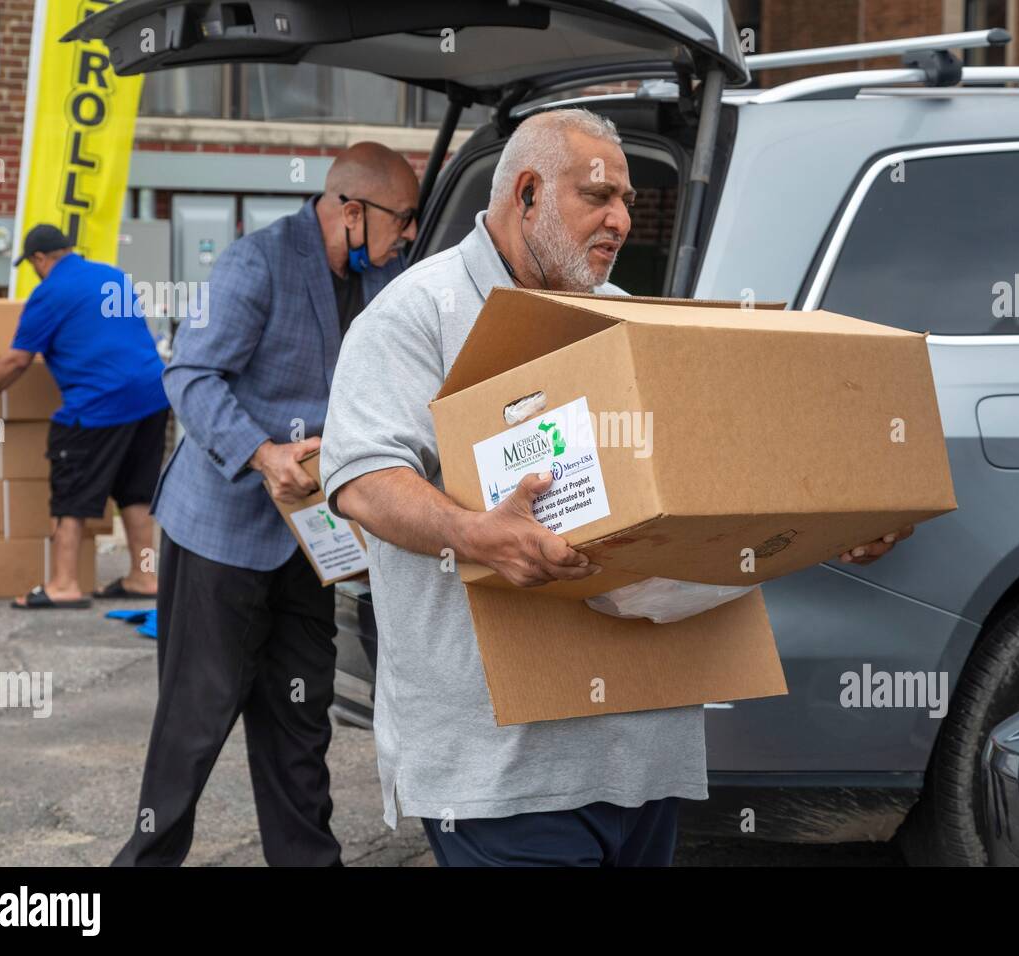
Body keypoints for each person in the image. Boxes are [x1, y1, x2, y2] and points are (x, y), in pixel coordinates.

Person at [320, 109, 913, 867]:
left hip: (641, 752)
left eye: (629, 201)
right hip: (504, 773)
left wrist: (829, 527)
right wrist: (475, 534)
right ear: (527, 193)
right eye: (599, 197)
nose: (623, 220)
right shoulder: (417, 314)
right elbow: (363, 480)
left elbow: (710, 497)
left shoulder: (631, 323)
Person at [112, 142, 419, 866]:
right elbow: (189, 375)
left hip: (310, 539)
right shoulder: (257, 262)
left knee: (301, 712)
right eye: (401, 219)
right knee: (197, 718)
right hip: (221, 530)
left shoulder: (387, 278)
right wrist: (262, 453)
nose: (407, 235)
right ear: (351, 211)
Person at [0, 224, 169, 609]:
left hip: (99, 404)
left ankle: (63, 585)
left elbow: (16, 361)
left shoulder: (50, 293)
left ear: (40, 259)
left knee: (71, 490)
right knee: (136, 491)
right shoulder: (112, 276)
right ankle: (145, 576)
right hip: (153, 395)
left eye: (33, 264)